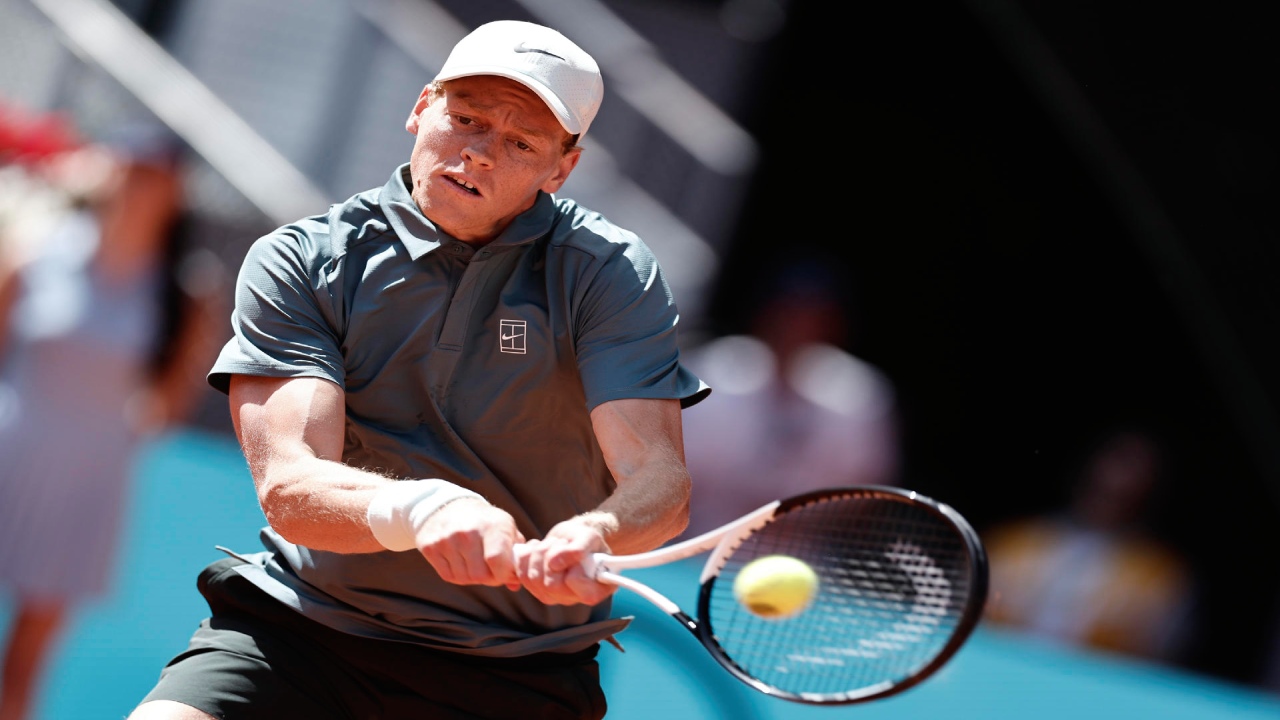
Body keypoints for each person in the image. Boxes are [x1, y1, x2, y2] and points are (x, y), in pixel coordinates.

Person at [127, 20, 709, 720]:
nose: (480, 152)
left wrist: (596, 532)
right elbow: (289, 485)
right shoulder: (305, 259)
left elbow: (659, 481)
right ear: (421, 107)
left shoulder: (608, 273)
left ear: (562, 169)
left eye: (521, 143)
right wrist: (427, 509)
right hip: (300, 633)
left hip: (515, 672)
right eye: (466, 119)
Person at [0, 119, 224, 720]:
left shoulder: (185, 292)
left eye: (153, 174)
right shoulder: (34, 248)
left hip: (86, 483)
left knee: (23, 663)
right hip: (8, 453)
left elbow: (167, 403)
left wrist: (95, 438)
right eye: (130, 167)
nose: (136, 183)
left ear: (175, 190)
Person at [678, 259, 899, 537]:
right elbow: (671, 476)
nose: (797, 326)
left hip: (805, 554)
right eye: (788, 312)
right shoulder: (709, 373)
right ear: (763, 314)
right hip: (696, 544)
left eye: (815, 316)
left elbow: (863, 496)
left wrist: (790, 512)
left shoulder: (861, 397)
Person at [982, 424, 1194, 662]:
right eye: (1118, 459)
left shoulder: (1163, 579)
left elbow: (1155, 661)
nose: (1121, 479)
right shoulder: (1011, 543)